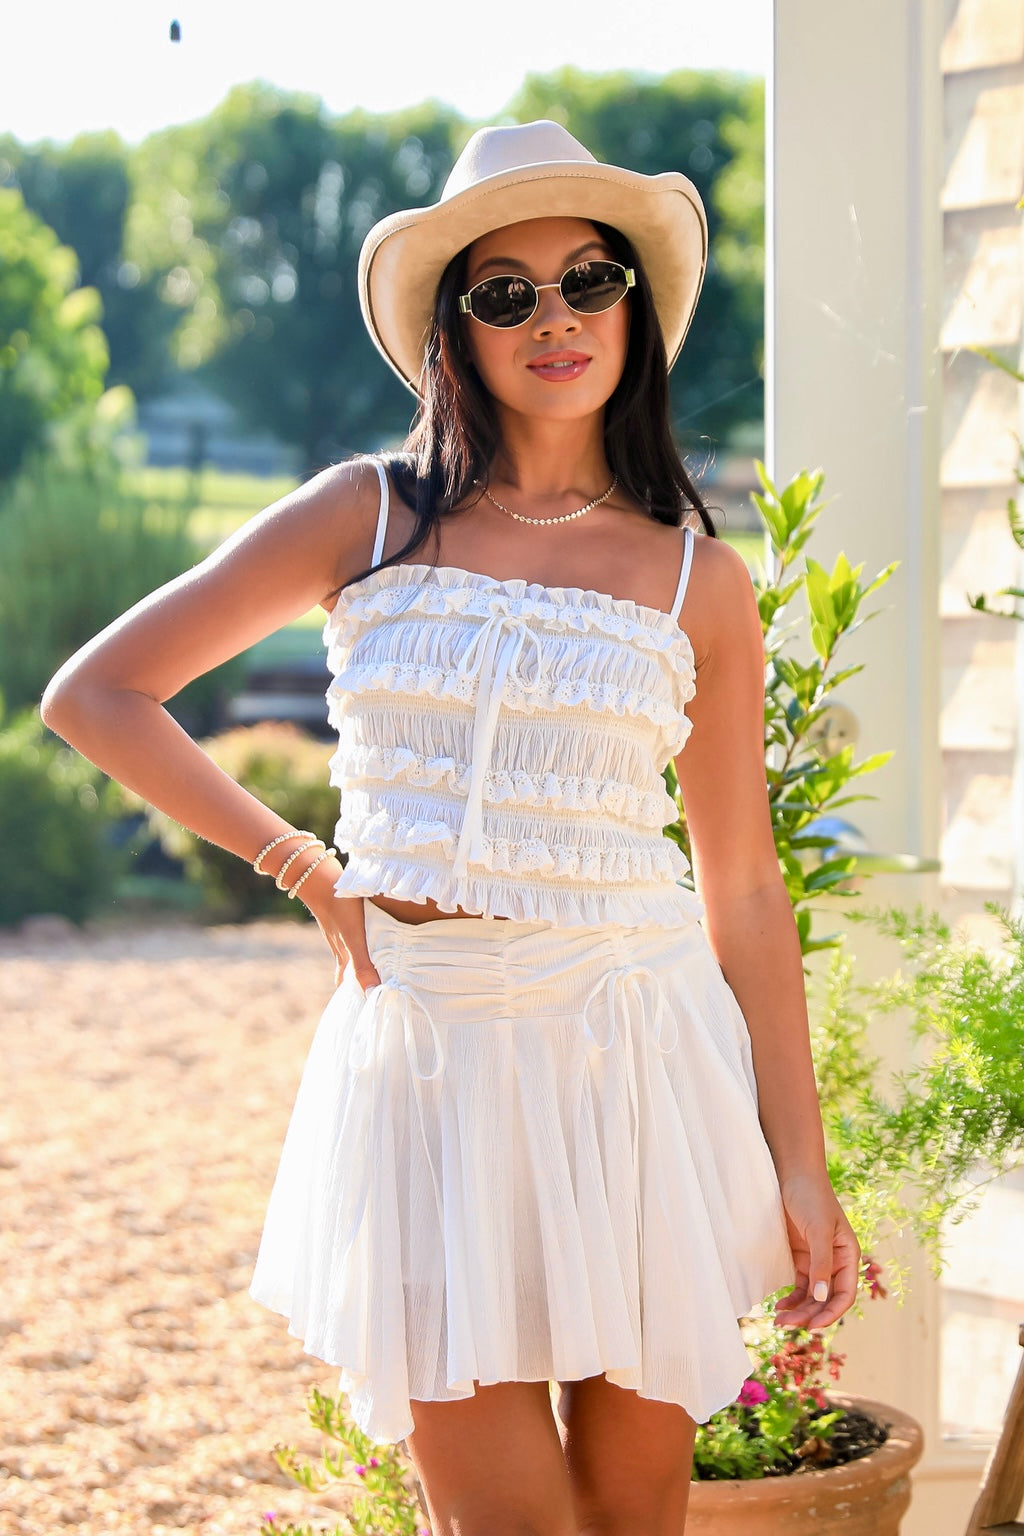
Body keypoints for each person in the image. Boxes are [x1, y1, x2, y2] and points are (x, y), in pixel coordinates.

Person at [42, 120, 861, 1536]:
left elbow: (741, 887)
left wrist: (802, 1164)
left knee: (633, 1520)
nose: (556, 317)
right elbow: (98, 695)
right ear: (456, 330)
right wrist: (305, 869)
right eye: (506, 292)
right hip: (433, 1064)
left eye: (589, 280)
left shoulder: (697, 581)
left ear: (632, 308)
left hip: (635, 1055)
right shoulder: (366, 516)